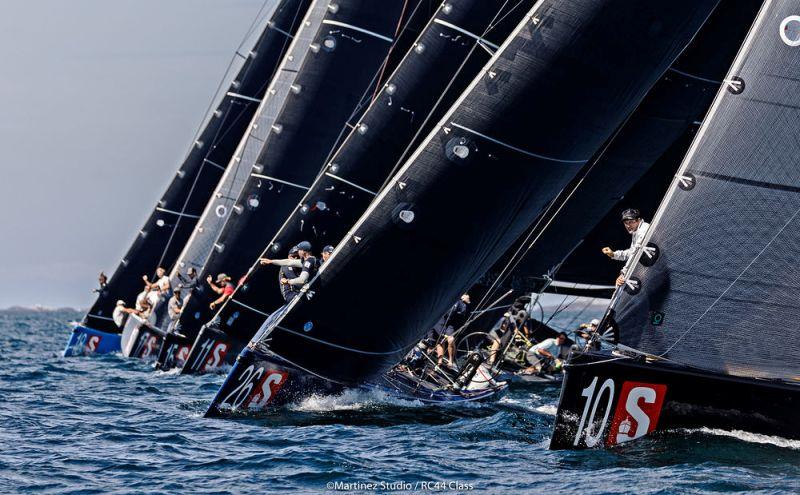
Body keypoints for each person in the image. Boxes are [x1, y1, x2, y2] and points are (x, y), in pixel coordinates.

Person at [602, 208, 650, 287]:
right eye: (625, 223)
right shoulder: (636, 230)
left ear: (639, 220)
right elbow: (632, 251)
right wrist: (613, 254)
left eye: (631, 222)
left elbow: (635, 253)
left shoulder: (643, 230)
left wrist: (623, 273)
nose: (628, 225)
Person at [432, 294, 471, 369]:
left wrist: (467, 302)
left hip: (452, 323)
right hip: (442, 318)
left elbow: (466, 316)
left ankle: (451, 360)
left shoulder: (464, 304)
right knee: (441, 338)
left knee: (451, 339)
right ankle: (439, 362)